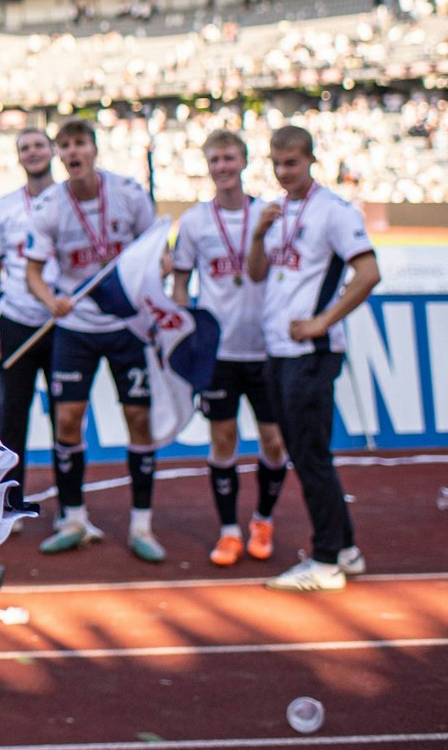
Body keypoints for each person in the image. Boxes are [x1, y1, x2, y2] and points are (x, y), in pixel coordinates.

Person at [249, 125, 380, 593]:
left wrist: (323, 320)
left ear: (310, 160)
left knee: (310, 457)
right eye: (277, 164)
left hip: (311, 351)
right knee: (306, 456)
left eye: (292, 163)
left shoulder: (334, 212)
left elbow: (368, 272)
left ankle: (326, 560)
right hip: (281, 350)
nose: (284, 172)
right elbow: (258, 273)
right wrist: (258, 235)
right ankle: (346, 549)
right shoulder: (278, 211)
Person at [23, 119, 162, 561]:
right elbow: (32, 273)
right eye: (64, 146)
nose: (72, 152)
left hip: (126, 326)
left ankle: (142, 524)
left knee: (139, 420)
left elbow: (156, 246)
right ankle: (75, 517)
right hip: (76, 329)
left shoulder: (128, 193)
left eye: (79, 143)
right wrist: (51, 300)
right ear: (59, 155)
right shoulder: (49, 206)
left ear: (94, 149)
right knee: (67, 421)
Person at [170, 130, 288, 568]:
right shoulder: (196, 222)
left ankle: (263, 518)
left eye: (229, 158)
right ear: (208, 165)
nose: (223, 166)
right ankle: (228, 531)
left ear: (244, 161)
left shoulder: (270, 213)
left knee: (274, 442)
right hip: (219, 353)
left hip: (267, 348)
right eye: (215, 159)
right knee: (223, 439)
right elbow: (181, 279)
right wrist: (185, 326)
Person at [0, 128, 57, 514]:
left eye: (39, 145)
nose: (33, 153)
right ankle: (11, 504)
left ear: (52, 151)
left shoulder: (68, 202)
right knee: (12, 420)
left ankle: (71, 511)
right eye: (26, 148)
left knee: (66, 419)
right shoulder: (4, 208)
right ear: (19, 157)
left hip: (63, 325)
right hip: (18, 323)